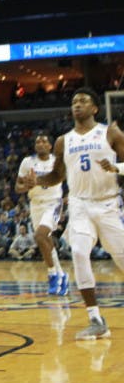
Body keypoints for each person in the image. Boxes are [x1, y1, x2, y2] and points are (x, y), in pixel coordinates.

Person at [27, 88, 124, 340]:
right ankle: (95, 319)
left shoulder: (110, 132)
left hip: (108, 204)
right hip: (80, 204)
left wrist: (116, 167)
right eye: (73, 102)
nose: (77, 105)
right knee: (80, 252)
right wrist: (37, 181)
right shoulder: (63, 141)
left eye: (83, 101)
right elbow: (57, 176)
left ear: (95, 108)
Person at [14, 134, 68, 294]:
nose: (40, 143)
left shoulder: (56, 161)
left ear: (50, 146)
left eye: (44, 141)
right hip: (35, 204)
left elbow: (60, 179)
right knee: (45, 240)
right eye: (37, 141)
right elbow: (17, 187)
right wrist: (26, 186)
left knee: (39, 236)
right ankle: (61, 274)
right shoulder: (27, 162)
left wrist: (38, 181)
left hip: (53, 203)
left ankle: (52, 274)